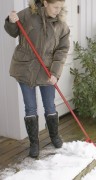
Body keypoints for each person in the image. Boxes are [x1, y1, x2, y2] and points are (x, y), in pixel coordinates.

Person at [4, 0, 70, 158]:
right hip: (25, 68)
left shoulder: (61, 25)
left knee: (50, 106)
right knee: (30, 107)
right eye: (55, 7)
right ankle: (34, 143)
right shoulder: (27, 15)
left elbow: (62, 50)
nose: (58, 10)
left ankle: (54, 137)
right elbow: (13, 31)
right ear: (46, 2)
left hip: (47, 71)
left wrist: (55, 73)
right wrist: (11, 20)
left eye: (61, 7)